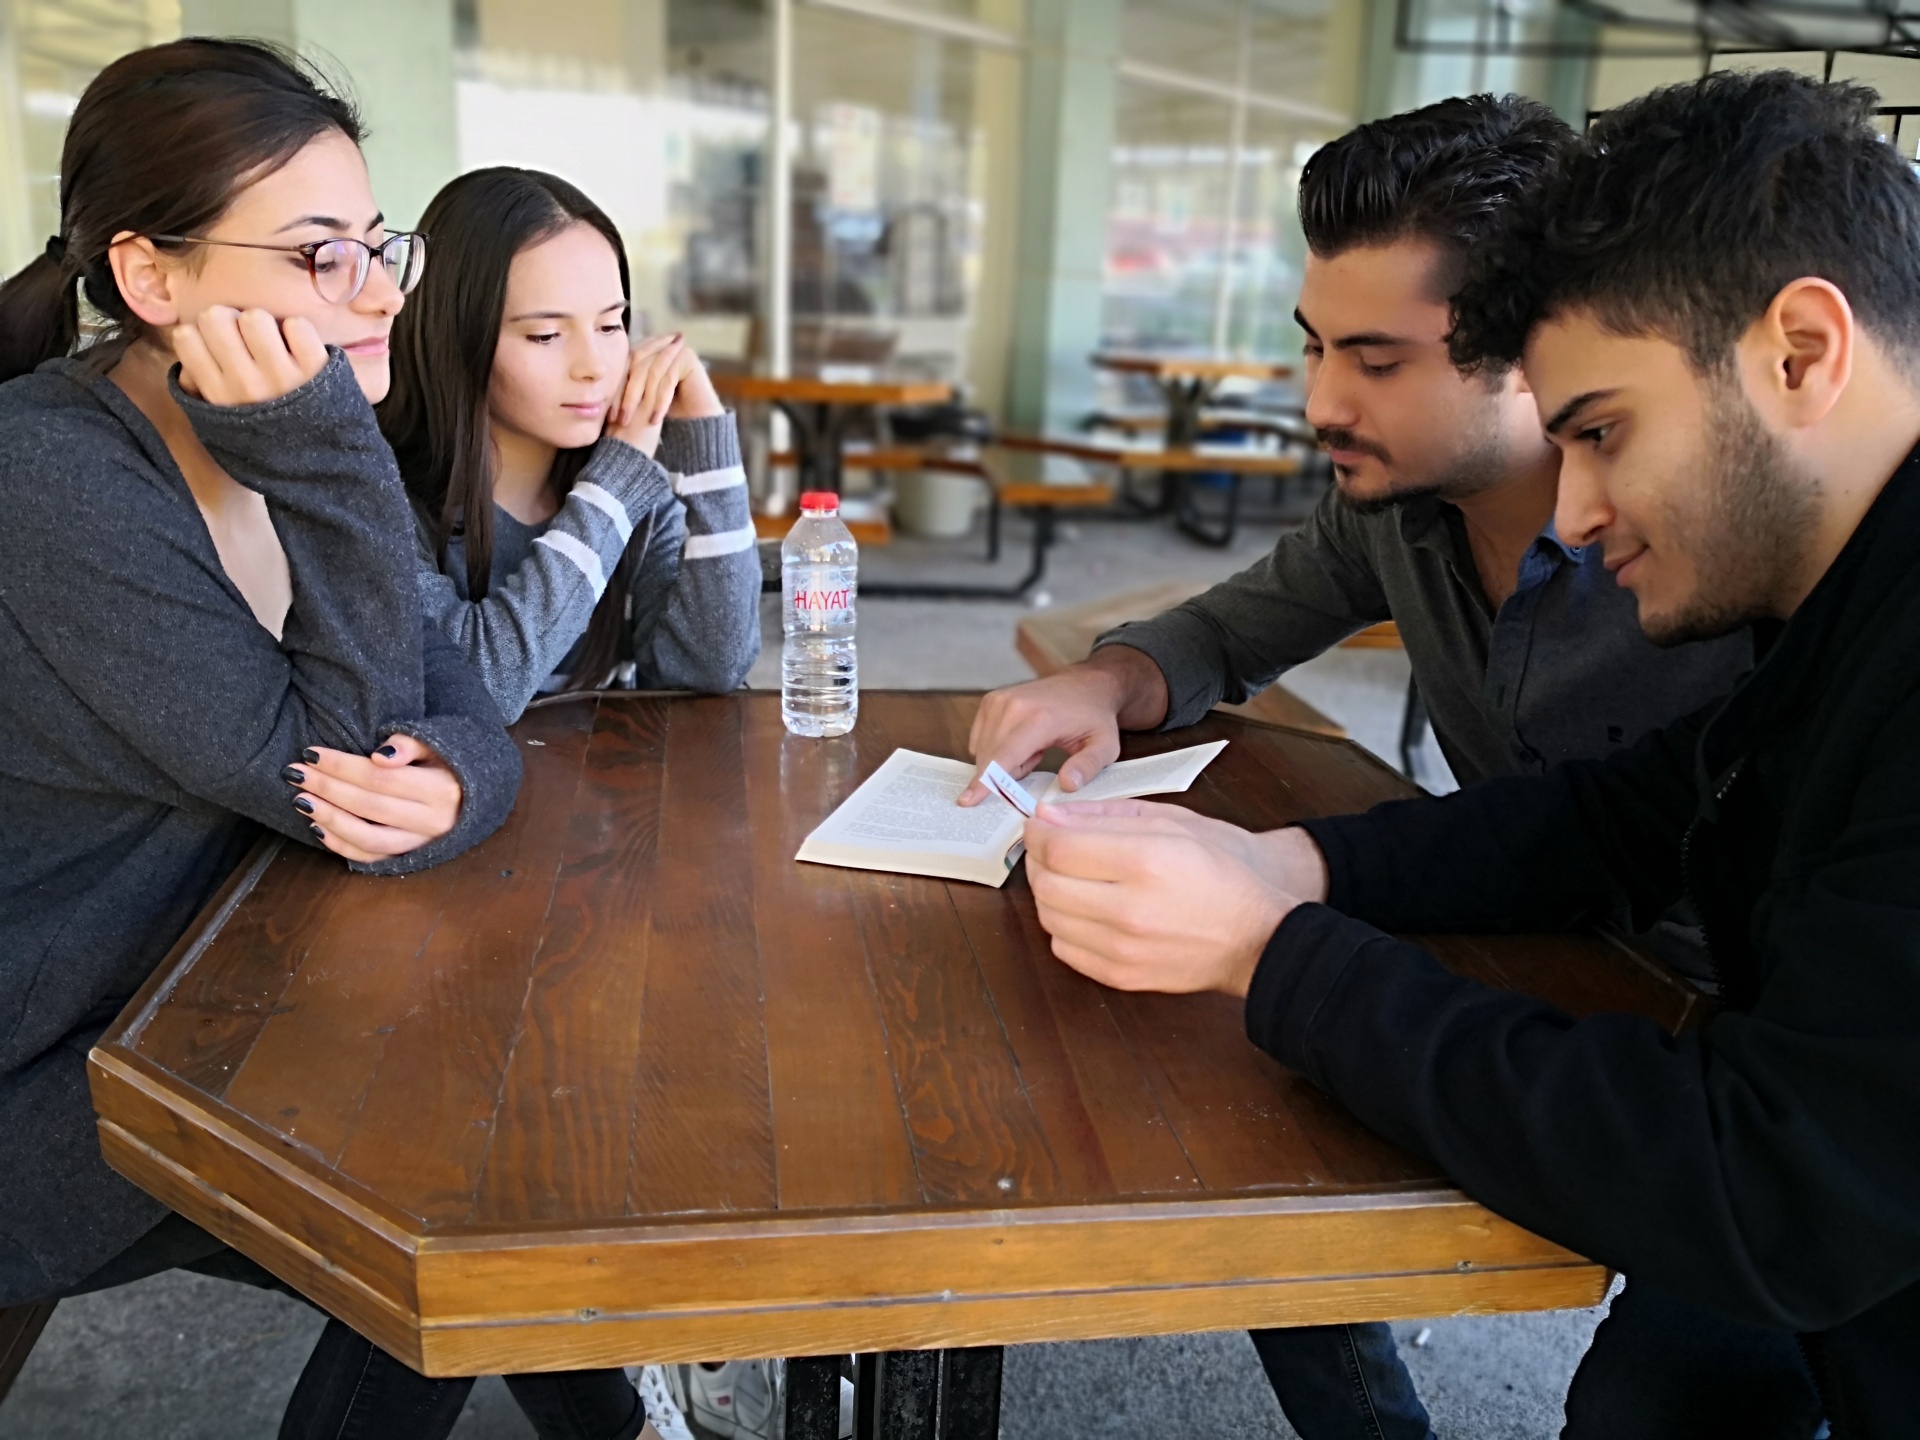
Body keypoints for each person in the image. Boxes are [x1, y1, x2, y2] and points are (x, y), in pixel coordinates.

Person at [1021, 68, 1920, 1437]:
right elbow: (1619, 814)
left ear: (1801, 351)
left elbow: (1775, 1193)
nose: (1576, 504)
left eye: (1605, 432)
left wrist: (1276, 954)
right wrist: (1288, 869)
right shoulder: (1847, 600)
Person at [0, 38, 663, 1440]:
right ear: (149, 276)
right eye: (318, 256)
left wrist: (461, 784)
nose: (378, 294)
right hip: (69, 1067)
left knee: (504, 1187)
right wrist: (329, 454)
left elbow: (456, 702)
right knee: (481, 1186)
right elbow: (328, 776)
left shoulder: (261, 425)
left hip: (227, 990)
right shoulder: (50, 479)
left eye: (377, 244)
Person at [965, 95, 1749, 817]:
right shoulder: (1393, 509)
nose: (1322, 407)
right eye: (1314, 346)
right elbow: (1225, 634)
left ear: (1531, 352)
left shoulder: (1709, 553)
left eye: (1379, 364)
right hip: (1516, 937)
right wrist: (1102, 683)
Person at [381, 167, 759, 724]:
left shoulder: (628, 489)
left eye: (611, 326)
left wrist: (707, 445)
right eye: (545, 335)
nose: (594, 368)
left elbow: (708, 668)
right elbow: (477, 690)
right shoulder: (384, 497)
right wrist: (614, 487)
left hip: (608, 802)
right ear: (456, 334)